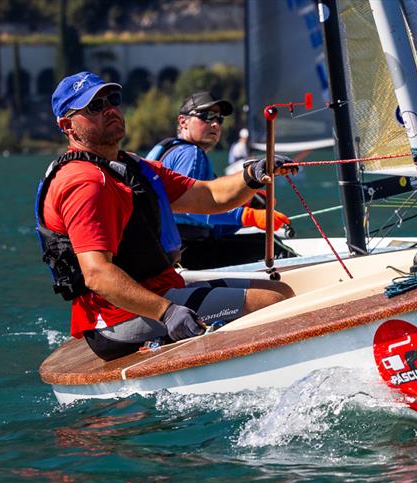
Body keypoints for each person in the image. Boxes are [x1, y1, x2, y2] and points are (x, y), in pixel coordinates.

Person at [35, 72, 296, 361]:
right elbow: (97, 274)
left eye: (112, 100)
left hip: (159, 290)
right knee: (270, 301)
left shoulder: (130, 165)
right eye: (94, 107)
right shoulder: (85, 183)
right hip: (118, 319)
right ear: (67, 125)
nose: (109, 109)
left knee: (280, 291)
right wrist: (167, 312)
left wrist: (253, 175)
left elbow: (209, 196)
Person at [146, 92, 290, 242]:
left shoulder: (168, 149)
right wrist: (248, 216)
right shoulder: (192, 154)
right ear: (183, 121)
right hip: (184, 249)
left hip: (163, 245)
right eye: (206, 116)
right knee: (270, 246)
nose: (215, 123)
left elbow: (206, 219)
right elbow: (195, 207)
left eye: (219, 118)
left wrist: (241, 200)